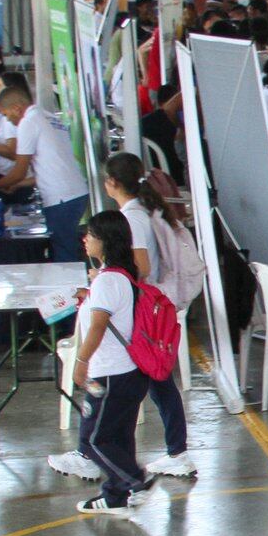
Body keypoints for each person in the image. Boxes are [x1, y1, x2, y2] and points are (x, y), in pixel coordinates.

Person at [100, 154, 196, 475]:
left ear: (113, 183)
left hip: (146, 308)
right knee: (157, 380)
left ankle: (174, 452)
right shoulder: (143, 210)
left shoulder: (133, 217)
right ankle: (175, 451)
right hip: (150, 304)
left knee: (156, 379)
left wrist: (114, 277)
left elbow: (142, 266)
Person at [70, 211, 157, 515]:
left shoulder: (109, 281)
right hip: (128, 373)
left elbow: (97, 327)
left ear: (105, 241)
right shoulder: (121, 276)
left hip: (110, 374)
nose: (85, 240)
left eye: (91, 235)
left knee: (95, 440)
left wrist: (81, 360)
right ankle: (114, 496)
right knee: (119, 436)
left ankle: (136, 480)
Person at [0, 75, 90, 263]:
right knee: (67, 247)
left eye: (6, 115)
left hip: (61, 198)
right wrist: (18, 185)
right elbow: (48, 169)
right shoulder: (49, 117)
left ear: (17, 108)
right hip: (75, 193)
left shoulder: (28, 122)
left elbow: (20, 169)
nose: (8, 120)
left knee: (64, 253)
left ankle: (67, 292)